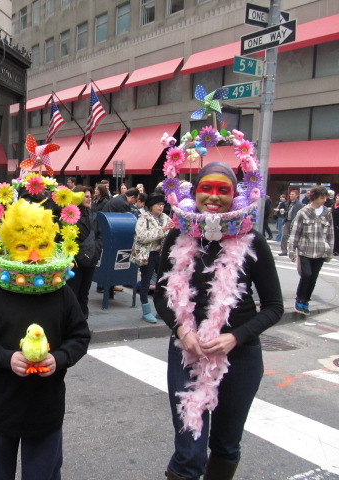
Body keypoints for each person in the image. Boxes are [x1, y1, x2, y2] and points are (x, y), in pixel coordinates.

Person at [154, 158, 283, 480]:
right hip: (187, 352)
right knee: (189, 453)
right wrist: (181, 329)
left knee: (226, 445)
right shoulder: (178, 236)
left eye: (222, 190)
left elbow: (273, 306)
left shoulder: (253, 240)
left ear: (235, 195)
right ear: (194, 192)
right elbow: (159, 293)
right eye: (206, 188)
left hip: (239, 357)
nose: (213, 196)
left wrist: (234, 337)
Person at [0, 172, 90, 480]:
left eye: (41, 245)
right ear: (6, 245)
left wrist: (58, 359)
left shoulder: (61, 293)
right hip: (0, 406)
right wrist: (6, 358)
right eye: (22, 247)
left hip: (46, 407)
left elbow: (80, 336)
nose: (32, 257)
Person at [287, 185, 334, 315]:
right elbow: (295, 232)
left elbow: (330, 234)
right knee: (306, 274)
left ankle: (306, 300)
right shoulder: (303, 212)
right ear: (315, 197)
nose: (325, 200)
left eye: (325, 197)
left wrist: (330, 252)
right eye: (322, 197)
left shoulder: (327, 213)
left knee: (313, 277)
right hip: (305, 250)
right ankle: (299, 299)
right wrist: (291, 250)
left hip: (320, 251)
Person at [133, 192, 173, 324]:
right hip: (148, 254)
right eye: (158, 204)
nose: (161, 207)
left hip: (161, 253)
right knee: (146, 282)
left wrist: (170, 230)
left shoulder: (165, 218)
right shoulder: (143, 218)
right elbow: (142, 236)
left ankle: (162, 309)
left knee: (163, 281)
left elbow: (170, 231)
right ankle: (146, 311)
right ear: (151, 206)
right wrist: (162, 231)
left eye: (162, 204)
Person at [66, 185, 102, 319]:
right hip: (76, 260)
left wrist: (96, 250)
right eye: (86, 196)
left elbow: (99, 235)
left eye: (90, 196)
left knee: (84, 292)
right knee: (73, 291)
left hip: (91, 258)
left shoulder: (93, 214)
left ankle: (83, 319)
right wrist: (81, 252)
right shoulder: (70, 215)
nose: (89, 199)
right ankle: (72, 320)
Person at [279, 190, 304, 256]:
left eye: (293, 194)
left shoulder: (299, 204)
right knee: (284, 236)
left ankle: (295, 251)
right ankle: (284, 251)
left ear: (297, 195)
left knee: (294, 238)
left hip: (295, 222)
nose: (291, 195)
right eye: (290, 194)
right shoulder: (289, 203)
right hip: (287, 221)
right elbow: (289, 211)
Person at [332, 191, 339, 255]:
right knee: (334, 237)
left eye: (338, 198)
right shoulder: (333, 205)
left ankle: (337, 250)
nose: (337, 199)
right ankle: (334, 249)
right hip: (333, 223)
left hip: (338, 224)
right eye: (336, 198)